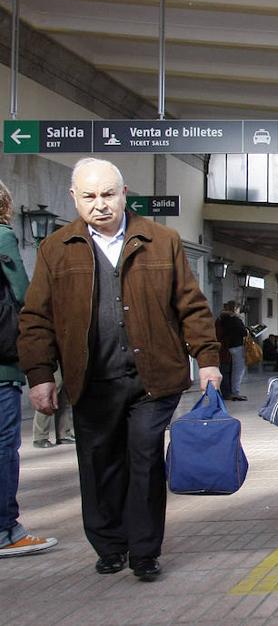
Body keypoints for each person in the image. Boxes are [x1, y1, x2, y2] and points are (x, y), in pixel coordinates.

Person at [19, 158, 222, 580]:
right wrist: (40, 376)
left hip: (152, 380)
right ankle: (110, 545)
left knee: (145, 461)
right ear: (73, 198)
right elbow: (37, 318)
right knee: (99, 465)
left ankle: (145, 551)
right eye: (89, 196)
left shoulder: (161, 240)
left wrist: (207, 361)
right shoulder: (56, 248)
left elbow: (192, 306)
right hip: (91, 380)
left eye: (108, 194)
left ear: (124, 193)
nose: (100, 204)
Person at [0, 179, 57, 558]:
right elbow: (25, 296)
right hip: (1, 368)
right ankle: (7, 529)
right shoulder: (2, 237)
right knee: (3, 447)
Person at [30, 369, 73, 448]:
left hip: (65, 358)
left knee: (64, 395)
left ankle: (63, 434)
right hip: (52, 360)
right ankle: (40, 437)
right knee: (47, 395)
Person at [214, 301, 248, 401]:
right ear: (235, 309)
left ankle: (228, 392)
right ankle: (235, 392)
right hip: (236, 347)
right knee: (238, 371)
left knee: (227, 371)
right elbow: (243, 332)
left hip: (225, 348)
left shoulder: (220, 319)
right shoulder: (234, 319)